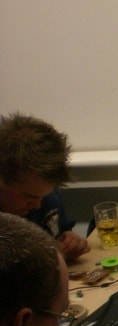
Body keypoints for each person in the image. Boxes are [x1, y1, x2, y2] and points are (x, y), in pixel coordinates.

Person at [0, 112, 90, 263]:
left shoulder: (44, 190)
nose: (37, 205)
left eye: (45, 195)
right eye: (29, 196)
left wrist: (70, 243)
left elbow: (59, 234)